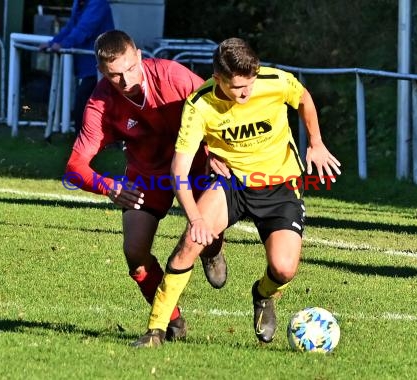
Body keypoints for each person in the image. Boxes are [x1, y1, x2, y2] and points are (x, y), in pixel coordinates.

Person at [132, 37, 342, 347]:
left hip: (280, 185)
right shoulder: (199, 105)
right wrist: (195, 219)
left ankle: (263, 295)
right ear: (218, 79)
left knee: (283, 269)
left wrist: (316, 142)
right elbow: (178, 171)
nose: (247, 92)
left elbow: (303, 98)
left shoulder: (274, 81)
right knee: (189, 244)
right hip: (231, 183)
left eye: (251, 84)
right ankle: (155, 331)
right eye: (238, 88)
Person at [64, 30, 227, 341]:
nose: (126, 81)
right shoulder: (101, 103)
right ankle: (172, 319)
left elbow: (218, 105)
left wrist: (219, 149)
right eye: (114, 75)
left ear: (139, 55)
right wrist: (106, 185)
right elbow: (74, 167)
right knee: (135, 252)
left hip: (195, 165)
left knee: (207, 234)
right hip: (147, 175)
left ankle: (213, 250)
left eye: (130, 68)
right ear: (102, 72)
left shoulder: (173, 75)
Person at [40, 0, 115, 135]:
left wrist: (63, 44)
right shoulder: (80, 3)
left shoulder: (97, 3)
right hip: (90, 63)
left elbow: (84, 28)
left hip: (101, 63)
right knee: (88, 100)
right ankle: (87, 138)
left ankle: (84, 138)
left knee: (86, 100)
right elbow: (71, 27)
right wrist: (53, 42)